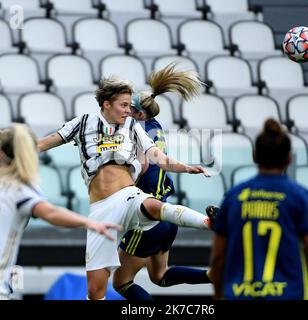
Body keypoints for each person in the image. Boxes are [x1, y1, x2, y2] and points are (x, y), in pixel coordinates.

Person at [38, 64, 214, 300]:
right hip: (101, 208)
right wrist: (13, 149)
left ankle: (209, 222)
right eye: (123, 105)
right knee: (95, 290)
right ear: (106, 104)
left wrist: (186, 167)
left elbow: (157, 157)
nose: (128, 111)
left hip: (128, 194)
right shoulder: (83, 122)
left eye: (130, 106)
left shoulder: (133, 126)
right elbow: (44, 143)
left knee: (153, 206)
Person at [209, 118, 308, 300]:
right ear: (289, 158)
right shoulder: (299, 196)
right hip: (288, 295)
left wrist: (218, 294)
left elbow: (219, 257)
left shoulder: (234, 197)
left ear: (255, 155)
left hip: (238, 294)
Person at [114, 78, 212, 300]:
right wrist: (187, 168)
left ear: (139, 114)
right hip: (166, 216)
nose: (126, 111)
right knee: (159, 276)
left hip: (147, 216)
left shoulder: (134, 132)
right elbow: (161, 160)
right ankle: (212, 275)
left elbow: (143, 164)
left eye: (130, 108)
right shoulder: (155, 126)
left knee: (121, 282)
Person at [0, 124, 122, 300]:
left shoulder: (16, 187)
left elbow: (50, 212)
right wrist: (88, 222)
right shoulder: (20, 188)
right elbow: (50, 213)